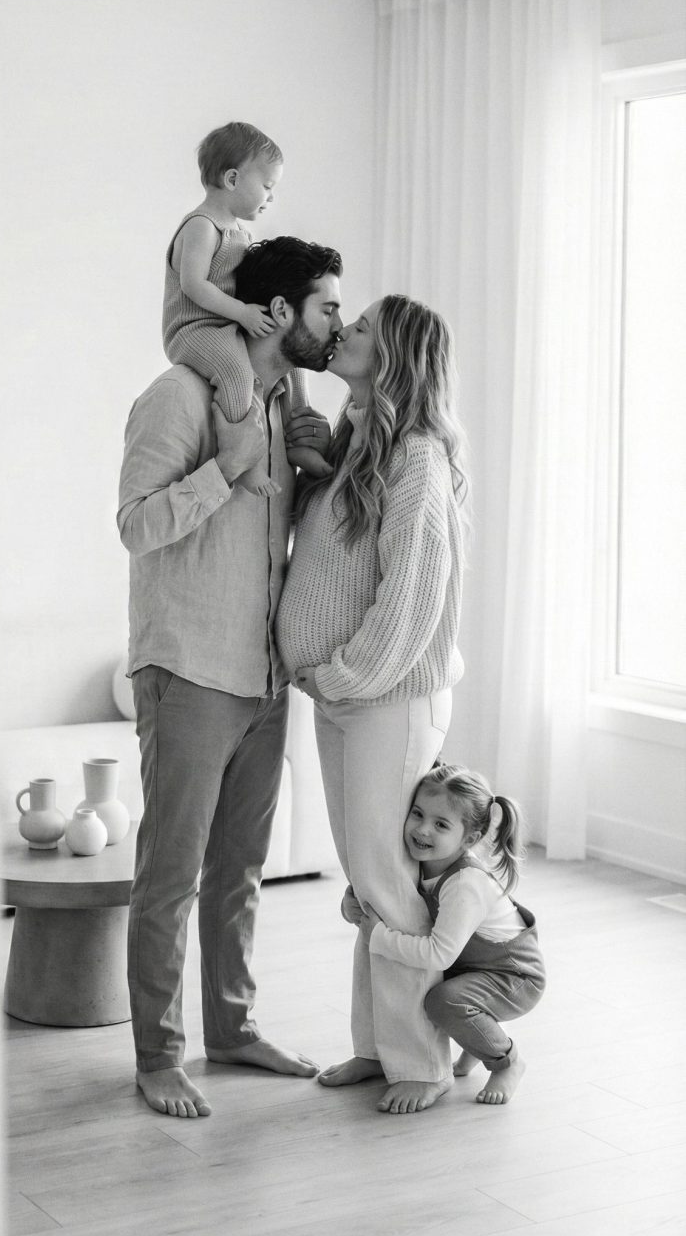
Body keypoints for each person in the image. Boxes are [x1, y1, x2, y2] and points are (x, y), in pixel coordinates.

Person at [118, 235, 344, 1119]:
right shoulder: (175, 396)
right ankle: (156, 1056)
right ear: (279, 312)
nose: (337, 321)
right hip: (189, 667)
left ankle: (235, 1030)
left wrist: (318, 466)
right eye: (326, 305)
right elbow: (135, 526)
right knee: (171, 873)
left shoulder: (290, 402)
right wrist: (224, 472)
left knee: (240, 868)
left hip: (264, 676)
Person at [275, 293, 468, 1114]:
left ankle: (423, 1061)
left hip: (384, 695)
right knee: (368, 879)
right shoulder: (363, 440)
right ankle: (380, 1049)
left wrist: (347, 675)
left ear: (392, 356)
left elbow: (412, 596)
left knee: (391, 883)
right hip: (346, 693)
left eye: (360, 330)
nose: (344, 331)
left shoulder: (419, 455)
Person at [351, 761, 545, 1105]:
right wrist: (351, 906)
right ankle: (476, 1038)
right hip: (471, 963)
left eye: (441, 824)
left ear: (468, 838)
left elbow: (439, 954)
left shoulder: (465, 884)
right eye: (417, 814)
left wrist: (378, 937)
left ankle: (507, 1061)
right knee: (428, 986)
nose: (422, 830)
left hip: (513, 975)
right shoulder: (420, 860)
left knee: (443, 1001)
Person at [163, 121, 333, 494]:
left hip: (229, 322)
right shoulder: (202, 226)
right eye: (268, 186)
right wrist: (241, 313)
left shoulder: (240, 231)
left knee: (291, 353)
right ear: (233, 179)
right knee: (237, 375)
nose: (271, 197)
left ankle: (297, 439)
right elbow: (193, 285)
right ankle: (245, 458)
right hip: (196, 329)